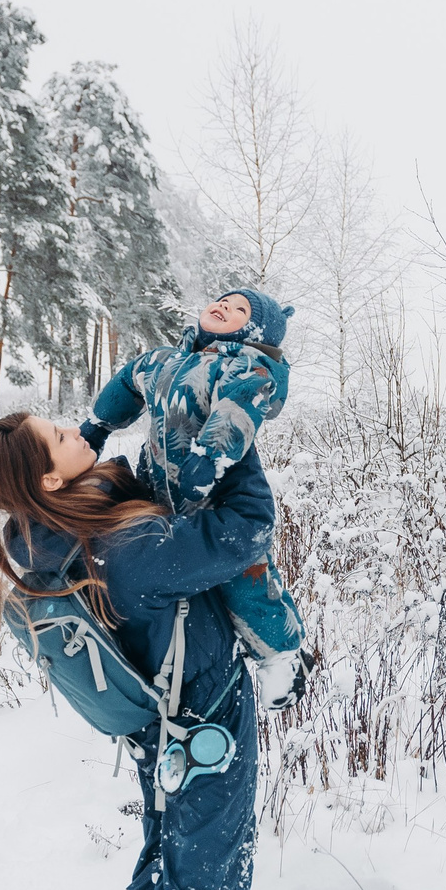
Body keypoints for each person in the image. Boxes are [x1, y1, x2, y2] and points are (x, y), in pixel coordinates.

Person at [0, 410, 274, 890]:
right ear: (47, 476)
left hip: (159, 732)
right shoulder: (126, 548)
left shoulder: (39, 531)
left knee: (166, 864)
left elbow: (105, 474)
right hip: (202, 724)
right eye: (63, 437)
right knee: (204, 885)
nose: (80, 430)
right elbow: (245, 527)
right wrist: (241, 440)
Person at [81, 286, 305, 701]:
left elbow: (240, 403)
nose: (225, 306)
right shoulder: (165, 360)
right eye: (224, 299)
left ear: (254, 334)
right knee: (175, 569)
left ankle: (281, 658)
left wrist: (211, 455)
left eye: (241, 310)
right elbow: (128, 381)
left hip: (221, 489)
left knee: (246, 579)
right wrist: (99, 425)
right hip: (161, 489)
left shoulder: (245, 364)